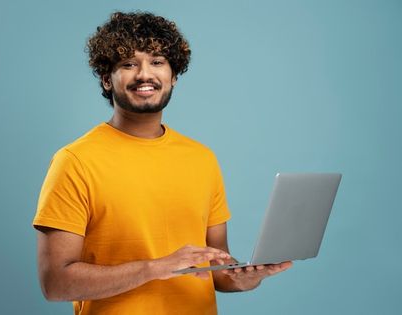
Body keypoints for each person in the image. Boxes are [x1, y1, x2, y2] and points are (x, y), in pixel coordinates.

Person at [33, 11, 292, 315]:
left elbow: (218, 269)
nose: (145, 74)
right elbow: (55, 283)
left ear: (174, 76)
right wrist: (154, 268)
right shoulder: (74, 161)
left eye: (157, 62)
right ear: (106, 78)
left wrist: (248, 278)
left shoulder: (201, 158)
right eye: (129, 64)